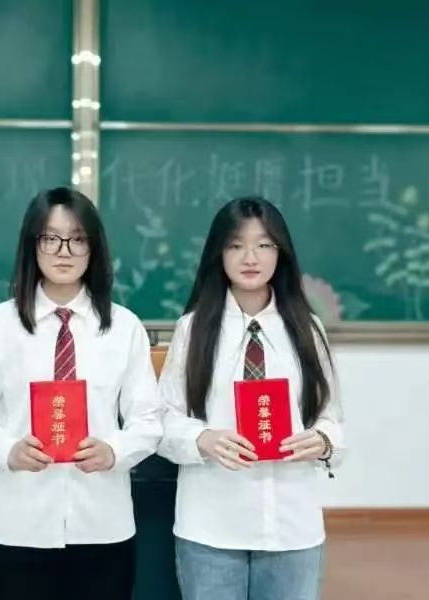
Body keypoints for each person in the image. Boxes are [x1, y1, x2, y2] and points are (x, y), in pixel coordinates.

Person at [0, 186, 162, 600]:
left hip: (102, 522)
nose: (64, 251)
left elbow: (149, 419)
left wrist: (114, 450)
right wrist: (8, 450)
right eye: (51, 238)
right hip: (20, 523)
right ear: (33, 245)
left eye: (77, 239)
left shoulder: (123, 327)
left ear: (94, 248)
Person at [158, 196, 346, 600]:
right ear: (218, 253)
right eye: (236, 245)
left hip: (292, 525)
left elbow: (331, 419)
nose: (250, 257)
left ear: (281, 253)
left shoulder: (307, 329)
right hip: (211, 525)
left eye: (264, 244)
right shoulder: (193, 329)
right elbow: (164, 419)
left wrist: (323, 441)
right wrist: (202, 439)